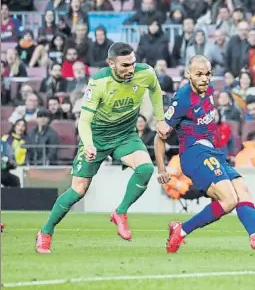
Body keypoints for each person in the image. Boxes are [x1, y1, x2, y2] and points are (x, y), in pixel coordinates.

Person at [36, 43, 169, 254]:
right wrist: (88, 144)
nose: (131, 69)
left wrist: (160, 119)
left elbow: (155, 89)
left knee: (145, 169)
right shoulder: (98, 82)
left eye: (133, 63)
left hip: (125, 134)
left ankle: (120, 212)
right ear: (111, 63)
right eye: (125, 65)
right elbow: (84, 121)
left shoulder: (146, 73)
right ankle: (46, 232)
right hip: (97, 137)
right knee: (78, 190)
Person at [154, 55, 255, 253]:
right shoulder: (182, 99)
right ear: (188, 74)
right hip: (194, 154)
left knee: (242, 188)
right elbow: (160, 135)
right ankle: (182, 230)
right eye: (198, 74)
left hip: (211, 152)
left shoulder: (209, 91)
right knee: (229, 200)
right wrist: (161, 168)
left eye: (207, 74)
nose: (204, 78)